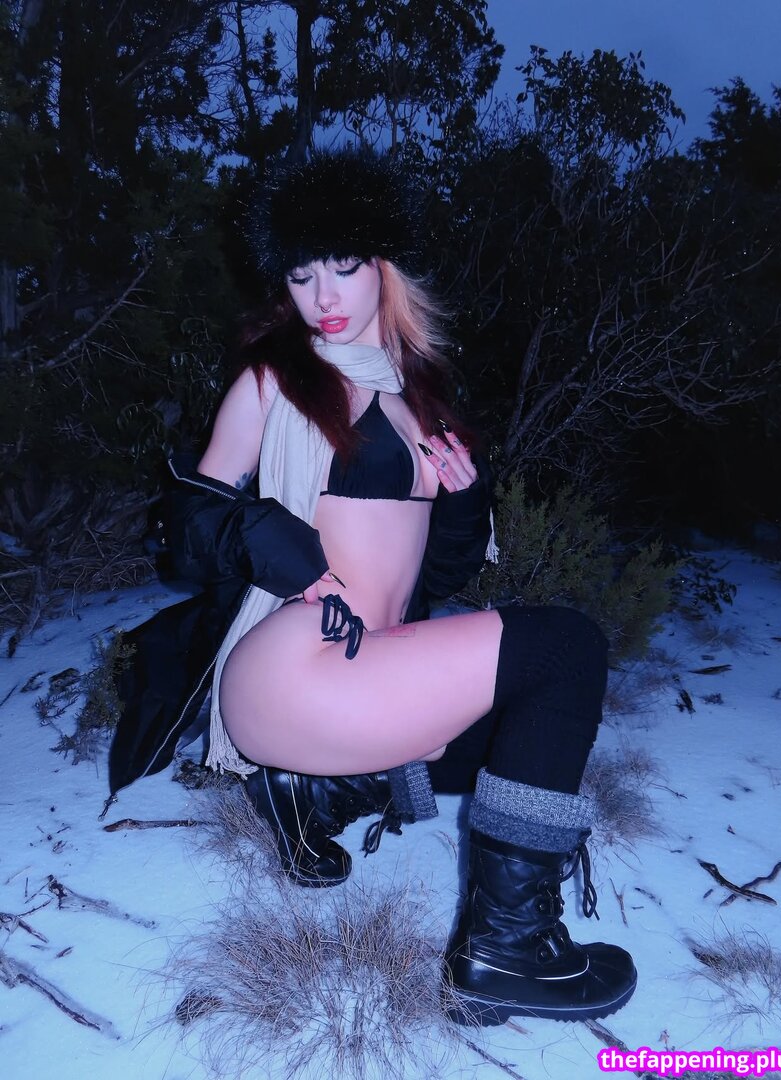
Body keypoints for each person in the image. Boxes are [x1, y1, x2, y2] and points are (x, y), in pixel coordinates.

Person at [110, 148, 636, 1028]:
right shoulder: (275, 380)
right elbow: (188, 523)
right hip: (295, 666)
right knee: (566, 650)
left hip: (368, 668)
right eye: (301, 273)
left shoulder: (417, 394)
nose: (323, 294)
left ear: (385, 267)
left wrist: (463, 500)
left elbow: (434, 575)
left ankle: (317, 792)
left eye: (343, 266)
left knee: (526, 730)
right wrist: (269, 538)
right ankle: (506, 948)